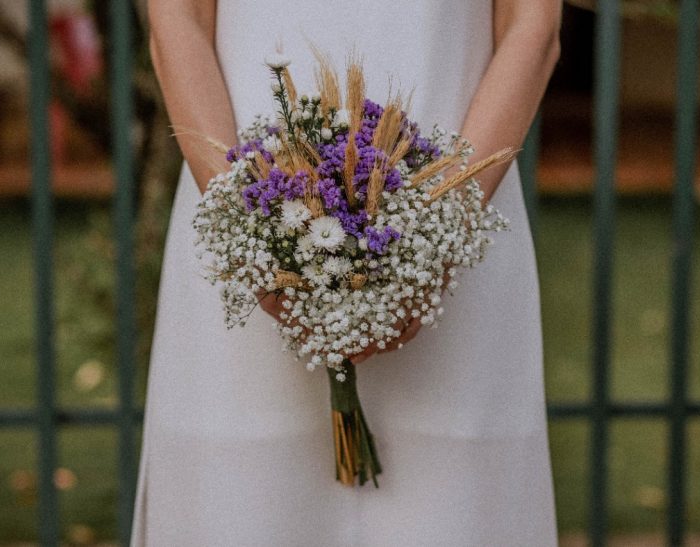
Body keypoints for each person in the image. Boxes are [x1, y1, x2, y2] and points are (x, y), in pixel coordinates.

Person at [132, 1, 562, 545]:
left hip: (462, 226)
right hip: (242, 233)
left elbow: (532, 27)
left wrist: (436, 237)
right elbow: (177, 21)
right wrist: (255, 238)